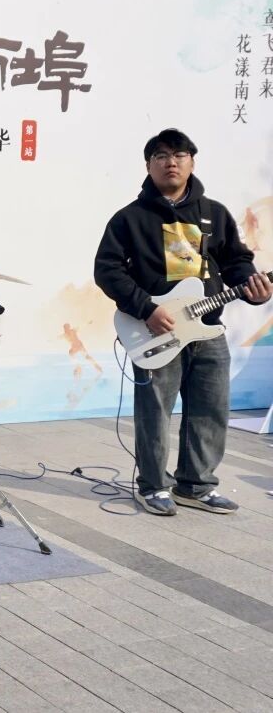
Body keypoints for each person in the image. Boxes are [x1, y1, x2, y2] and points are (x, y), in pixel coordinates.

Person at [94, 128, 270, 516]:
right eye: (161, 156)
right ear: (148, 166)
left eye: (179, 155)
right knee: (155, 411)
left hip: (208, 329)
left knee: (211, 409)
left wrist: (253, 287)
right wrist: (146, 308)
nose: (170, 162)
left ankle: (196, 485)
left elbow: (237, 262)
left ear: (192, 162)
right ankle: (154, 485)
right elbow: (107, 270)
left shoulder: (215, 214)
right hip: (156, 329)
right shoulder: (129, 218)